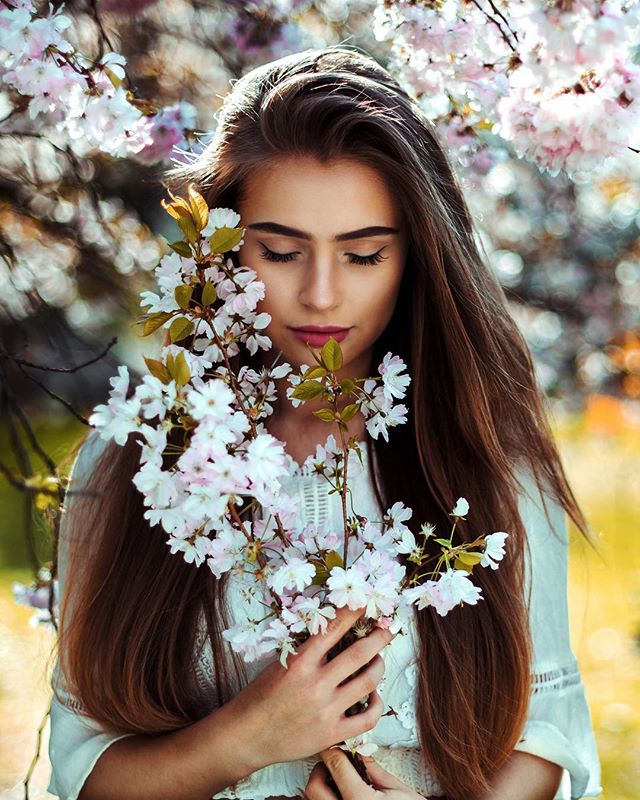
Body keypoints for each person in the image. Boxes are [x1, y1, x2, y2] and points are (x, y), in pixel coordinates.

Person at [47, 45, 603, 800]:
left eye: (363, 255)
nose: (319, 295)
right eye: (279, 250)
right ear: (219, 245)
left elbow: (546, 738)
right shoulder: (137, 457)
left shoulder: (489, 460)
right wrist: (249, 735)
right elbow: (85, 773)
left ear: (416, 258)